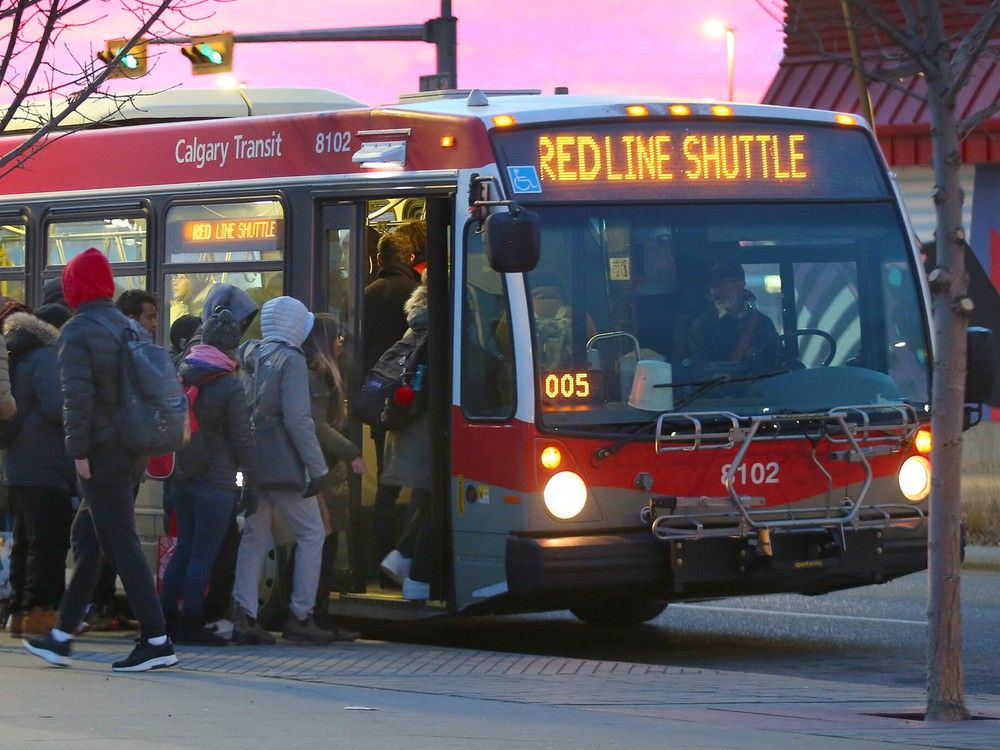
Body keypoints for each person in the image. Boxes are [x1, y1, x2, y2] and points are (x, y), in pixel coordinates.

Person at [23, 247, 178, 672]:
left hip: (102, 453)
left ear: (74, 287)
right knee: (91, 540)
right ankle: (61, 636)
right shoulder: (123, 326)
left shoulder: (77, 331)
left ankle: (158, 640)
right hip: (129, 448)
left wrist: (78, 452)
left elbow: (77, 396)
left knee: (121, 543)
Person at [231, 295, 348, 646]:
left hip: (253, 461)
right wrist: (317, 468)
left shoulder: (250, 354)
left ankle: (244, 615)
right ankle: (301, 615)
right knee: (313, 534)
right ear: (297, 325)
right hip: (284, 464)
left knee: (254, 536)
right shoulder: (292, 360)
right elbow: (299, 421)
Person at [159, 309, 256, 645]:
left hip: (182, 474)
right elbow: (243, 437)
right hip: (216, 480)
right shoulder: (228, 383)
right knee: (204, 553)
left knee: (184, 546)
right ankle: (192, 622)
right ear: (232, 346)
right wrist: (251, 475)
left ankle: (166, 618)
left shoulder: (181, 371)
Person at [3, 305, 74, 638]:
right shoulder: (47, 356)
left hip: (18, 465)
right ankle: (42, 611)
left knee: (24, 542)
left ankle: (17, 612)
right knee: (48, 543)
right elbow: (57, 407)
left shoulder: (19, 354)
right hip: (46, 464)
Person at [303, 313, 365, 635]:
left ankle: (317, 613)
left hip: (328, 468)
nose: (341, 341)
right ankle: (314, 614)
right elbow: (317, 424)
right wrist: (351, 452)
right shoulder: (319, 372)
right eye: (336, 336)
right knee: (323, 544)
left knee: (325, 542)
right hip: (323, 469)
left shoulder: (324, 371)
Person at [363, 231, 420, 576]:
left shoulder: (367, 293)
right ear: (410, 258)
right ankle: (407, 556)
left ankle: (378, 554)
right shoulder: (416, 296)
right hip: (412, 400)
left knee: (387, 481)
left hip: (379, 401)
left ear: (380, 260)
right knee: (420, 482)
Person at [378, 280, 434, 601]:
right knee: (433, 501)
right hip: (426, 435)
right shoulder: (436, 338)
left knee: (425, 499)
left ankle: (402, 558)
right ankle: (417, 575)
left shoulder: (410, 335)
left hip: (404, 433)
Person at [685, 259, 787, 376]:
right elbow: (696, 370)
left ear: (741, 285)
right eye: (713, 285)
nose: (716, 291)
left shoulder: (762, 323)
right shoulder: (701, 326)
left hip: (758, 392)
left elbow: (779, 365)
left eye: (724, 284)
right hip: (713, 393)